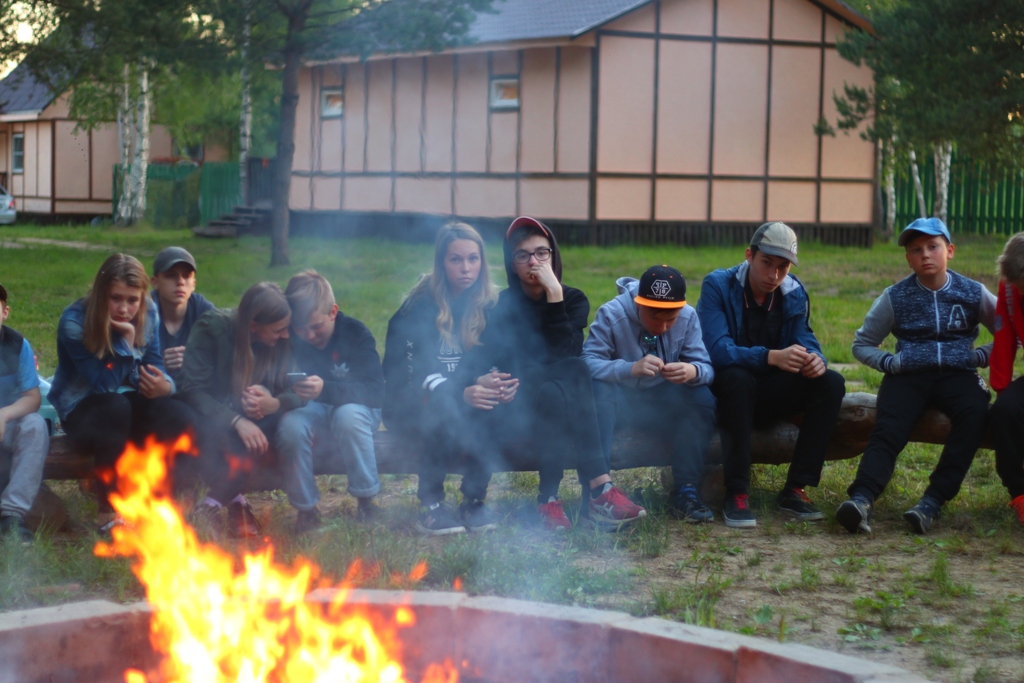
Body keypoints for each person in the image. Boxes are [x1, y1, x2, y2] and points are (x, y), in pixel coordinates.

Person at [454, 216, 646, 530]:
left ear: (553, 257)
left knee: (565, 379)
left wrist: (554, 295)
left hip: (552, 398)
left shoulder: (572, 299)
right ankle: (600, 489)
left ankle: (549, 500)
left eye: (542, 253)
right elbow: (485, 361)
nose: (534, 261)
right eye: (523, 255)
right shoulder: (499, 307)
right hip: (516, 402)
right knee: (572, 371)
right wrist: (481, 380)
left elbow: (566, 352)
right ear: (511, 264)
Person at [838, 218, 995, 535]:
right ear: (908, 258)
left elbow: (1009, 333)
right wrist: (890, 364)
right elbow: (861, 344)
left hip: (958, 376)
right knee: (889, 426)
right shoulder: (895, 297)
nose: (925, 255)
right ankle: (862, 499)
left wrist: (979, 356)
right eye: (916, 250)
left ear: (949, 251)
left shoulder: (972, 292)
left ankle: (932, 502)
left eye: (933, 247)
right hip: (908, 376)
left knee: (974, 414)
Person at [696, 221, 845, 529]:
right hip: (726, 394)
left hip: (768, 393)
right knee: (737, 377)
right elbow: (717, 350)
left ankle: (795, 489)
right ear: (749, 255)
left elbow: (805, 338)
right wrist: (770, 357)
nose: (774, 275)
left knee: (831, 382)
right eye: (767, 263)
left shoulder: (793, 292)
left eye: (783, 266)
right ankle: (736, 491)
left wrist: (815, 359)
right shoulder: (718, 285)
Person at [48, 254, 194, 533]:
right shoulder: (74, 322)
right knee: (115, 407)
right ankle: (107, 512)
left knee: (178, 414)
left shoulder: (148, 312)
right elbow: (104, 383)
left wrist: (166, 386)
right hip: (82, 409)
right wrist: (127, 342)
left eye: (132, 300)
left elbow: (154, 365)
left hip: (126, 399)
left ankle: (157, 500)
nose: (124, 309)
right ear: (101, 294)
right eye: (116, 298)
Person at [382, 223, 499, 535]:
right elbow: (413, 372)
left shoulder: (487, 305)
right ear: (441, 263)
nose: (466, 269)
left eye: (473, 259)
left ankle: (473, 501)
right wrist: (461, 392)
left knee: (490, 406)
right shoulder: (417, 307)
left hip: (460, 398)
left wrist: (492, 381)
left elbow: (493, 357)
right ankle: (431, 505)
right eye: (455, 260)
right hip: (410, 402)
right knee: (442, 407)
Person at [583, 265, 717, 523]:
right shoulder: (612, 314)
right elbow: (586, 362)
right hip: (620, 401)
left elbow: (707, 369)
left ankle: (686, 491)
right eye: (655, 317)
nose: (664, 326)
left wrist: (692, 370)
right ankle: (599, 492)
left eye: (672, 318)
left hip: (662, 402)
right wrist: (629, 368)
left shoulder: (688, 316)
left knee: (701, 398)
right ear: (638, 304)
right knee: (598, 390)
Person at [178, 282, 303, 539]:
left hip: (254, 420)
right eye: (278, 330)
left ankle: (210, 505)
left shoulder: (281, 340)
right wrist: (235, 419)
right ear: (253, 326)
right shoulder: (212, 328)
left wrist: (274, 402)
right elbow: (191, 389)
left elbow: (300, 388)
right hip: (208, 417)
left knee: (265, 434)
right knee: (225, 436)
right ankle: (235, 501)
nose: (285, 335)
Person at [277, 270, 384, 534]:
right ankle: (306, 509)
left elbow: (375, 392)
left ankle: (367, 499)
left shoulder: (356, 334)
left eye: (316, 326)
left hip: (359, 411)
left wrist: (325, 389)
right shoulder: (290, 338)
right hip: (311, 410)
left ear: (333, 312)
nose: (309, 335)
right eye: (300, 328)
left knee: (347, 416)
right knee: (290, 426)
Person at [0, 283, 49, 543]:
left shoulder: (17, 345)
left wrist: (4, 414)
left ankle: (12, 515)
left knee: (35, 425)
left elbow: (32, 398)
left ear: (5, 312)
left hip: (6, 426)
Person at [991, 232, 1024, 527]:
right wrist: (1002, 388)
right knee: (1004, 413)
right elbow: (1004, 337)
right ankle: (1020, 496)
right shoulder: (1010, 286)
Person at [149, 247, 215, 383]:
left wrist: (194, 359)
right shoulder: (144, 311)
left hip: (193, 388)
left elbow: (226, 351)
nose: (180, 282)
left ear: (194, 284)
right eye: (171, 275)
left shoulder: (204, 310)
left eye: (186, 276)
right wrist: (158, 366)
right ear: (155, 282)